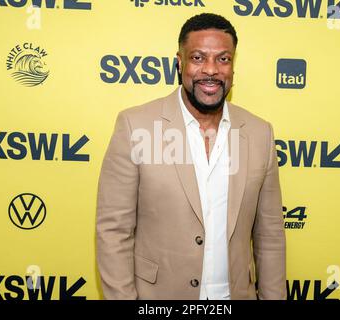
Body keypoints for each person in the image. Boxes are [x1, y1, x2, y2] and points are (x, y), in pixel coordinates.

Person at [96, 13, 286, 300]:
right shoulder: (136, 126)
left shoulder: (261, 133)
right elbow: (113, 231)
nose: (211, 70)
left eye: (223, 59)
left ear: (233, 66)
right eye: (198, 58)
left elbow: (269, 236)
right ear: (179, 62)